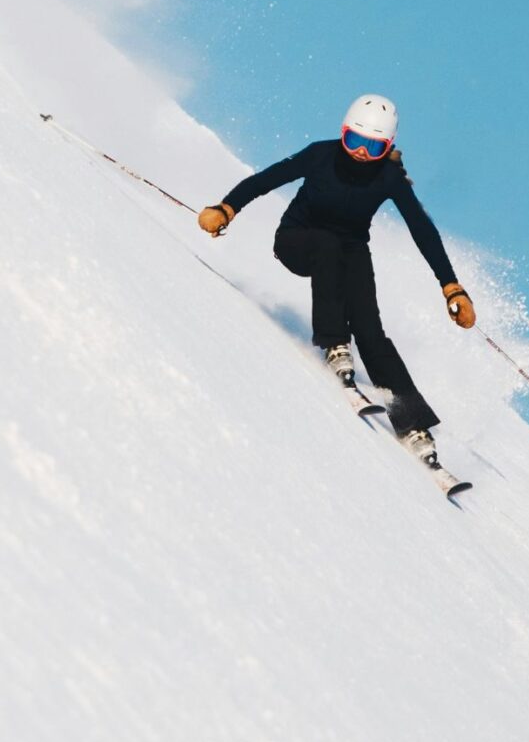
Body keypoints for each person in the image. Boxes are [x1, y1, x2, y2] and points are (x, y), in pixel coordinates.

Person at [197, 94, 475, 465]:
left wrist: (451, 286)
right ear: (342, 134)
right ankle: (334, 343)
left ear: (388, 147)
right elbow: (267, 179)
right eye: (354, 141)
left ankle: (412, 424)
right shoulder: (321, 155)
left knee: (371, 329)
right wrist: (226, 208)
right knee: (328, 246)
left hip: (350, 250)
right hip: (298, 239)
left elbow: (421, 229)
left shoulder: (388, 177)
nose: (361, 153)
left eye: (373, 146)